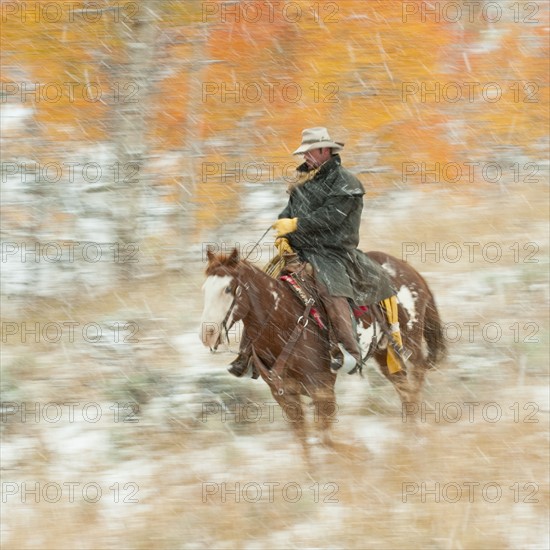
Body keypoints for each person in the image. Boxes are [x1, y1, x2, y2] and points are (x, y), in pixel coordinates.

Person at [229, 127, 397, 377]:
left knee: (331, 291)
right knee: (260, 289)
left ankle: (350, 350)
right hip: (300, 250)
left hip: (332, 251)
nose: (305, 157)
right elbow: (288, 212)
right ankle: (249, 354)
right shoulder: (303, 182)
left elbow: (332, 217)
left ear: (325, 150)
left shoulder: (346, 182)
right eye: (304, 152)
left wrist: (297, 225)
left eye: (309, 152)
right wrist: (283, 232)